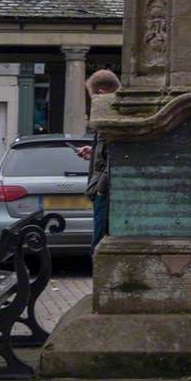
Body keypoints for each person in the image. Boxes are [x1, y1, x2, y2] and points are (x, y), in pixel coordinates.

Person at [77, 69, 120, 254]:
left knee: (100, 247)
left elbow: (116, 158)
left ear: (101, 94)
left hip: (105, 193)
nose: (91, 103)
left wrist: (101, 190)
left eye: (91, 97)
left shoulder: (112, 119)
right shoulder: (113, 115)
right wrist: (93, 152)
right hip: (103, 190)